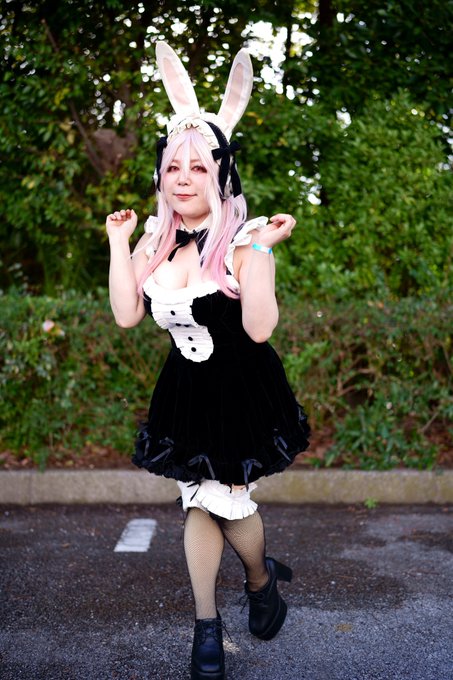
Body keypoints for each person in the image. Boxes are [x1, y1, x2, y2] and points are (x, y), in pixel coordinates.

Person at [106, 42, 310, 680]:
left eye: (198, 166)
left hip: (241, 390)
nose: (183, 178)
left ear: (222, 173)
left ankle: (259, 580)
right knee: (197, 500)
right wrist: (118, 241)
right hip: (186, 390)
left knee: (225, 503)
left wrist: (265, 253)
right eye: (173, 166)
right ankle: (208, 625)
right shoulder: (155, 241)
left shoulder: (244, 241)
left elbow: (259, 328)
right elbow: (127, 313)